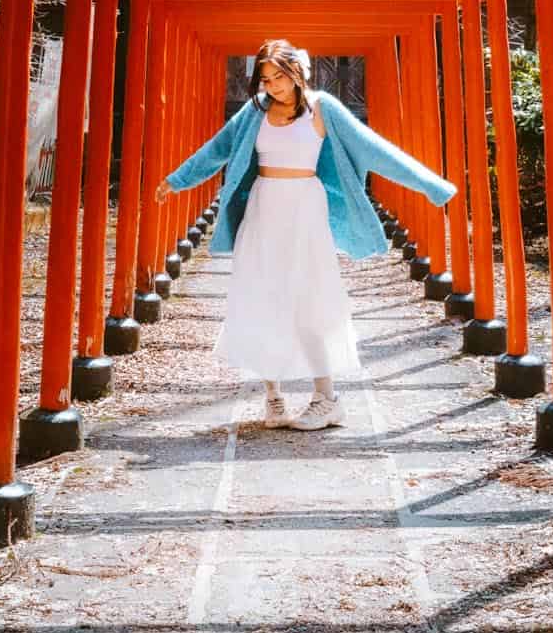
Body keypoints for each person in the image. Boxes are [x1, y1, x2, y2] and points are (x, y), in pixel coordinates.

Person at [155, 39, 455, 430]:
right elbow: (218, 150)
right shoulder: (254, 112)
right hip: (263, 208)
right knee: (260, 295)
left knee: (309, 299)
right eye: (265, 79)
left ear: (298, 72)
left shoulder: (322, 109)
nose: (273, 85)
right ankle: (273, 397)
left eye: (279, 76)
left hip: (304, 210)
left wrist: (431, 185)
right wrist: (177, 180)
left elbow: (377, 151)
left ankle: (326, 398)